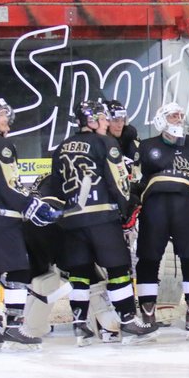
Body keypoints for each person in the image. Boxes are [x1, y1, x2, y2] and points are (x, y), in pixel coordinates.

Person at [46, 100, 159, 345]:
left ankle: (79, 323)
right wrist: (127, 208)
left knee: (79, 272)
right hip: (101, 218)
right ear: (91, 120)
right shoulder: (106, 143)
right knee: (119, 269)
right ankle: (128, 319)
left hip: (72, 220)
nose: (108, 122)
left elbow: (54, 186)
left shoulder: (62, 147)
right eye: (104, 118)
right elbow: (118, 182)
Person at [0, 97, 60, 351]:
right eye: (2, 114)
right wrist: (31, 205)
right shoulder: (2, 145)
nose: (7, 118)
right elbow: (8, 187)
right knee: (17, 269)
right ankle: (15, 327)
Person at [133, 102, 189, 336]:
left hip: (187, 208)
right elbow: (134, 180)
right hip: (155, 208)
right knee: (148, 257)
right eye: (173, 116)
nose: (178, 119)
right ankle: (147, 313)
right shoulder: (146, 147)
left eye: (180, 115)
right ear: (161, 120)